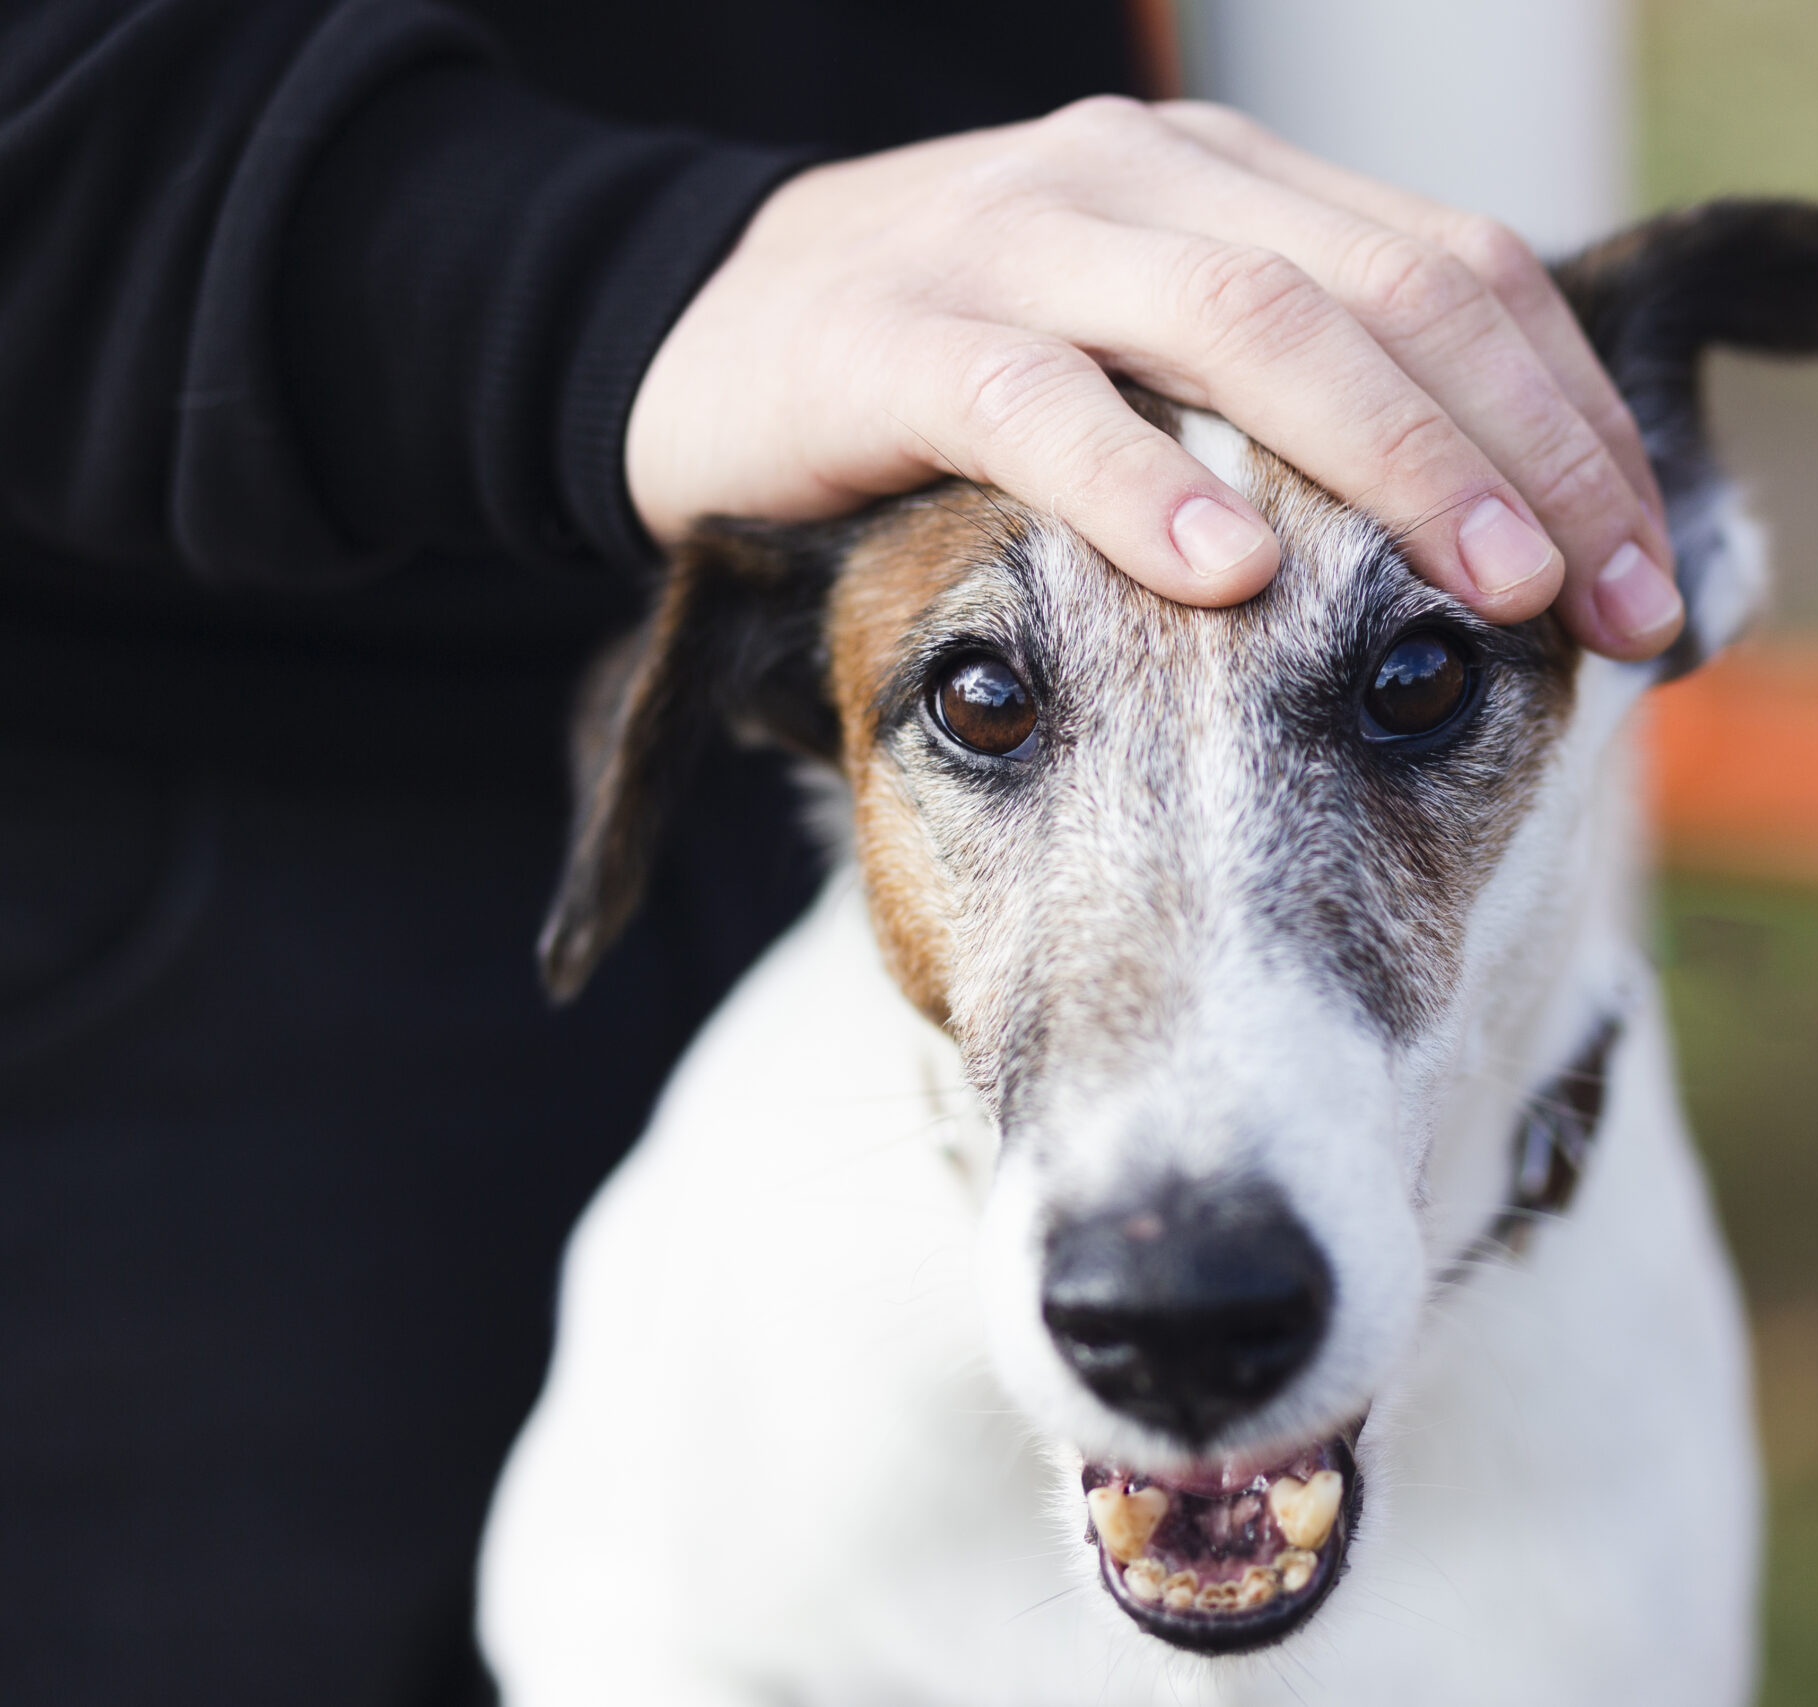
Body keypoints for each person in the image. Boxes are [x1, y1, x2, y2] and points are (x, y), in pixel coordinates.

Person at [0, 2, 1682, 1701]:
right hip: (145, 793)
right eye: (995, 709)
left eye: (1407, 688)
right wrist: (629, 270)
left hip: (961, 369)